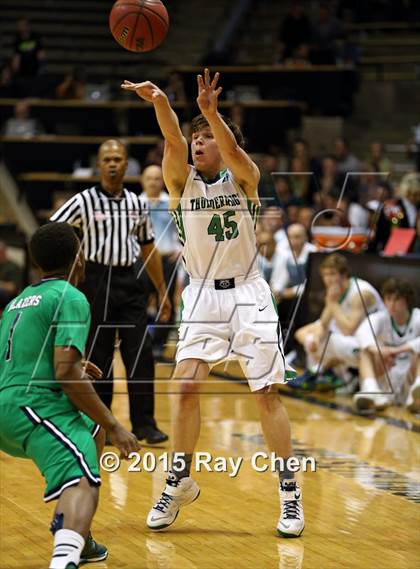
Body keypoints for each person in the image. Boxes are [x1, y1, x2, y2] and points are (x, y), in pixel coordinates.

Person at [122, 68, 304, 538]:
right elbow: (169, 139)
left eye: (205, 139)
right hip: (202, 291)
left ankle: (289, 492)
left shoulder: (244, 181)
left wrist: (212, 114)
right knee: (184, 388)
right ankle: (178, 480)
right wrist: (161, 101)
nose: (197, 143)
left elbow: (240, 157)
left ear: (224, 147)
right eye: (196, 138)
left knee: (266, 393)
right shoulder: (181, 184)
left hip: (247, 290)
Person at [0, 222, 139, 569]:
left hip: (10, 403)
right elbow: (65, 374)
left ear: (36, 264)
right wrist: (117, 424)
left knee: (92, 432)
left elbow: (33, 360)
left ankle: (84, 537)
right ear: (79, 259)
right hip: (33, 408)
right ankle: (64, 560)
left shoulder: (18, 301)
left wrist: (74, 365)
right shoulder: (71, 296)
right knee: (81, 478)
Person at [50, 139, 170, 445]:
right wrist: (66, 273)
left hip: (130, 281)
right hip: (96, 281)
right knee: (98, 357)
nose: (113, 164)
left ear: (127, 163)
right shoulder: (84, 201)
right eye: (107, 159)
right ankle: (98, 425)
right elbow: (51, 231)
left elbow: (147, 248)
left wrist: (162, 290)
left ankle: (145, 425)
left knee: (140, 355)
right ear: (100, 165)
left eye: (118, 158)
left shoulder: (136, 203)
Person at [293, 253, 383, 391]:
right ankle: (324, 374)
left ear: (344, 274)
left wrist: (332, 303)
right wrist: (315, 340)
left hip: (375, 343)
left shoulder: (360, 293)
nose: (328, 279)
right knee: (314, 338)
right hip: (355, 338)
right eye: (325, 275)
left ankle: (329, 374)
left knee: (330, 340)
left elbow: (349, 330)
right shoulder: (335, 291)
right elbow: (324, 323)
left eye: (332, 274)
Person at [355, 279, 420, 413]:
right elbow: (361, 334)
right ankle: (372, 390)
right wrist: (381, 351)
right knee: (365, 352)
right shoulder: (379, 318)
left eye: (396, 299)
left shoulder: (417, 317)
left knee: (418, 353)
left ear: (407, 301)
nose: (391, 304)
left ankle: (418, 389)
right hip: (387, 370)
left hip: (409, 374)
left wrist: (398, 350)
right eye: (388, 299)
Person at [140, 164, 181, 357]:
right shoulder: (136, 203)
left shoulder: (171, 202)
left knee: (166, 302)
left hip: (167, 260)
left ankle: (159, 345)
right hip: (142, 261)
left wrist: (182, 248)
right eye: (150, 178)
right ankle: (140, 342)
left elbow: (184, 228)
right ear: (143, 181)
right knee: (139, 302)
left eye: (157, 178)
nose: (153, 182)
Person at [0, 241, 23, 310]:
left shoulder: (13, 266)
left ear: (3, 252)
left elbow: (13, 288)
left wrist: (1, 284)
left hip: (9, 297)